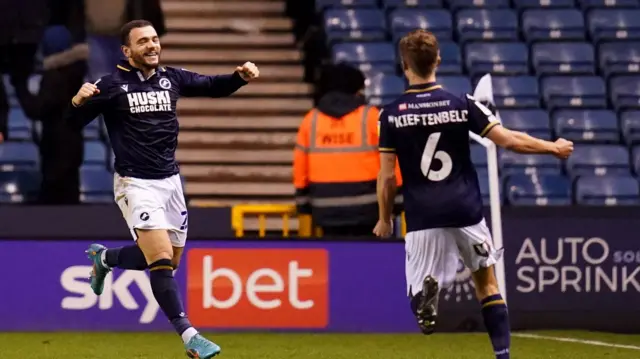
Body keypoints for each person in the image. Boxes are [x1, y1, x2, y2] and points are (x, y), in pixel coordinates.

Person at [373, 29, 573, 359]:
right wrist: (552, 147)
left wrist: (383, 220)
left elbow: (386, 177)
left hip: (423, 216)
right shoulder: (462, 103)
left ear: (403, 64)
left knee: (416, 298)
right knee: (487, 286)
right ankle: (503, 355)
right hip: (465, 209)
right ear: (437, 60)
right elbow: (508, 140)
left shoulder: (391, 114)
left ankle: (425, 295)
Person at [65, 19, 259, 359]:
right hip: (135, 183)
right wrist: (78, 102)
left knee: (165, 260)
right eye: (143, 42)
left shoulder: (173, 78)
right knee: (162, 262)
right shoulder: (111, 86)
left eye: (155, 39)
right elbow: (69, 126)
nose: (152, 46)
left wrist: (239, 77)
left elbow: (213, 86)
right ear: (127, 51)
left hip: (171, 183)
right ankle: (190, 337)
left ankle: (105, 258)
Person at [293, 63, 402, 237]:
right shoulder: (371, 116)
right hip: (369, 209)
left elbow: (300, 169)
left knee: (334, 260)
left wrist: (303, 203)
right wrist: (397, 200)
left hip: (324, 209)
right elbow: (391, 161)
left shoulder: (310, 120)